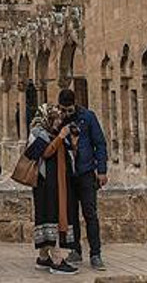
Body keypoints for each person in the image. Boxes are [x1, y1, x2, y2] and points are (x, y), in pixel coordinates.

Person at [57, 88, 107, 271]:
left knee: (90, 214)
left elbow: (99, 143)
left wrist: (101, 170)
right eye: (64, 109)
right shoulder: (58, 120)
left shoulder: (88, 117)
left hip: (85, 172)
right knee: (71, 215)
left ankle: (95, 253)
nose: (67, 113)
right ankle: (74, 249)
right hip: (68, 174)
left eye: (70, 110)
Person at [28, 103, 79, 275]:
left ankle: (43, 258)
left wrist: (72, 142)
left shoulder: (57, 133)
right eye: (55, 118)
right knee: (50, 216)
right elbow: (45, 153)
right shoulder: (38, 133)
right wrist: (60, 138)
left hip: (59, 183)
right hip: (46, 185)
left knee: (55, 216)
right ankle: (57, 260)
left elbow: (66, 155)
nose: (59, 121)